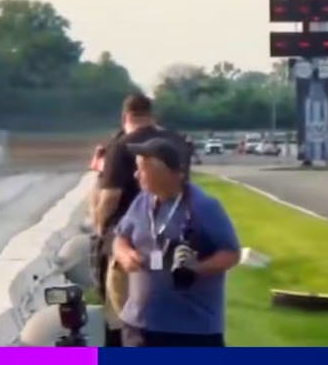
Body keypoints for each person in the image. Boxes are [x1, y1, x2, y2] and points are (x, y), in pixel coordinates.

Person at [112, 135, 241, 347]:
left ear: (166, 172)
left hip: (190, 330)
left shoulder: (204, 206)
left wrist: (197, 268)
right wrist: (124, 253)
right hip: (139, 327)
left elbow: (231, 253)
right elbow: (121, 237)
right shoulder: (142, 201)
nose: (136, 175)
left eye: (142, 168)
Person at [92, 94, 186, 346]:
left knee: (121, 319)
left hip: (128, 245)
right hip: (174, 240)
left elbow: (109, 198)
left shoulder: (120, 146)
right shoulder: (176, 142)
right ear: (152, 115)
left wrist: (101, 231)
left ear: (125, 117)